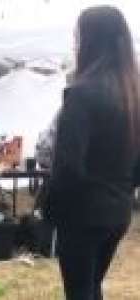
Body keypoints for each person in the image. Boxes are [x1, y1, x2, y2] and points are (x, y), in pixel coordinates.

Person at [47, 6, 140, 300]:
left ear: (90, 40)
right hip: (118, 211)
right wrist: (123, 191)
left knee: (79, 291)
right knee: (90, 287)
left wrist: (47, 207)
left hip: (82, 212)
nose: (75, 44)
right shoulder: (133, 94)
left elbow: (67, 167)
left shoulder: (82, 93)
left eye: (78, 36)